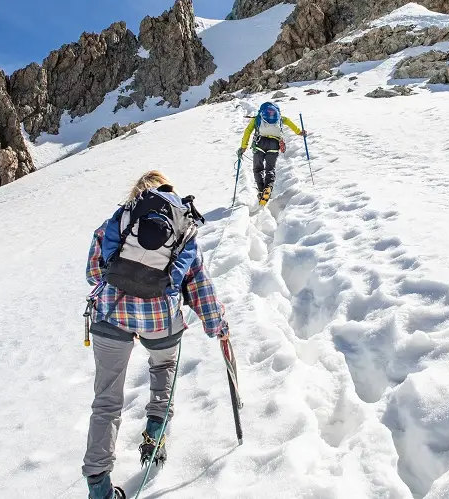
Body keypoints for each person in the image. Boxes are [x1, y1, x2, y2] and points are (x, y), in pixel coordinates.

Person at [82, 170, 229, 499]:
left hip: (110, 316)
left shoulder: (116, 222)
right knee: (162, 369)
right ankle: (155, 434)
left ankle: (98, 484)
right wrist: (217, 325)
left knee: (106, 401)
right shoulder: (181, 229)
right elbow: (198, 285)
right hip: (160, 319)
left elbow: (94, 274)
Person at [237, 102, 306, 205]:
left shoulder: (258, 118)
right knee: (270, 169)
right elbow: (291, 123)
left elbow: (248, 131)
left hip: (260, 143)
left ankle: (261, 191)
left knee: (258, 168)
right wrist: (300, 132)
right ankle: (268, 188)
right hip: (274, 145)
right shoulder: (281, 119)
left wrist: (243, 147)